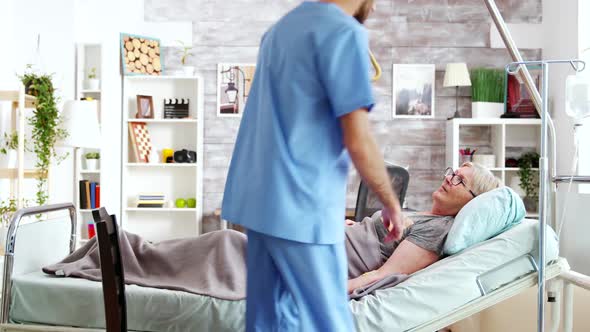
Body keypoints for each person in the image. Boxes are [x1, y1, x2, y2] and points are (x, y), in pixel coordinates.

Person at [220, 0, 403, 331]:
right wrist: (390, 202)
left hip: (258, 203)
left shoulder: (279, 32)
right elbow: (358, 140)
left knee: (271, 322)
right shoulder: (344, 33)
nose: (374, 7)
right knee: (328, 321)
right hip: (301, 206)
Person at [345, 162, 501, 293]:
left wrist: (335, 290)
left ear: (472, 200)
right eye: (453, 173)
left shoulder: (437, 229)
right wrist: (357, 227)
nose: (448, 178)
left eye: (459, 180)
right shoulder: (426, 215)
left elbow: (383, 275)